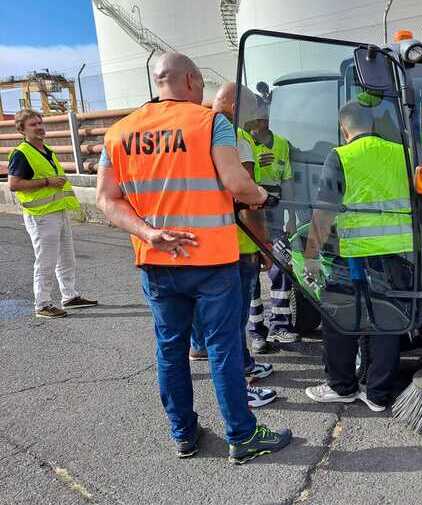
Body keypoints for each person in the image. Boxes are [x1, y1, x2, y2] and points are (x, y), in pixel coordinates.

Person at [96, 52, 291, 463]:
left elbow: (107, 200)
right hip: (212, 263)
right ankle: (242, 436)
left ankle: (183, 434)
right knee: (223, 350)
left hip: (156, 260)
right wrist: (261, 196)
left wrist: (149, 232)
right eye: (201, 85)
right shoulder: (210, 123)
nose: (202, 92)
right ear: (188, 80)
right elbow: (236, 182)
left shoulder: (118, 134)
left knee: (170, 349)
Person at [303, 100, 414, 412]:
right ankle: (379, 394)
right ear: (373, 125)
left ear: (343, 128)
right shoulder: (400, 153)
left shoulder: (340, 156)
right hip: (397, 253)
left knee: (339, 319)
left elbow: (324, 211)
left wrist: (311, 254)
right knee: (387, 321)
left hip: (355, 255)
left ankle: (342, 386)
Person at [186, 82, 277, 409]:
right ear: (240, 108)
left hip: (202, 241)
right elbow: (247, 196)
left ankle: (223, 357)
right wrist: (264, 245)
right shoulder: (236, 139)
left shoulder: (195, 132)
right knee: (233, 319)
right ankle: (242, 383)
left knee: (210, 313)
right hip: (237, 242)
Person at [7, 109, 97, 318]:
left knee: (66, 257)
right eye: (33, 124)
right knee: (46, 260)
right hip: (41, 216)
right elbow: (14, 184)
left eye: (40, 122)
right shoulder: (22, 153)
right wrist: (47, 182)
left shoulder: (47, 150)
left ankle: (70, 296)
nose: (39, 127)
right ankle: (43, 304)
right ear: (22, 129)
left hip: (58, 212)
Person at [244, 111, 298, 352]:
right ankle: (256, 332)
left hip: (275, 211)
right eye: (258, 116)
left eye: (266, 115)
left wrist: (293, 219)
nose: (263, 120)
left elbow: (288, 183)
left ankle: (280, 325)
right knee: (250, 271)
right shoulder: (242, 142)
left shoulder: (283, 144)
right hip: (250, 211)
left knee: (281, 264)